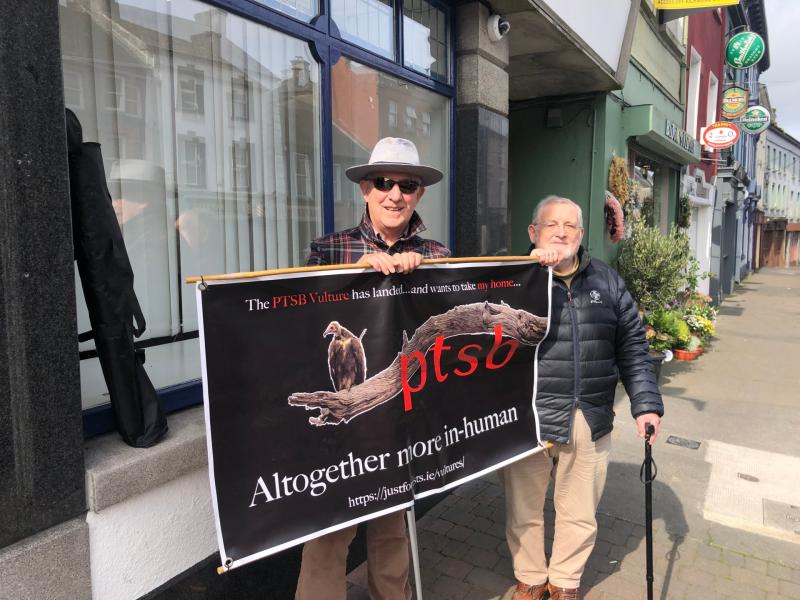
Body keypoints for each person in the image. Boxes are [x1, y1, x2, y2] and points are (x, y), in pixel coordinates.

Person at [296, 137, 450, 600]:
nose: (394, 194)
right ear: (365, 189)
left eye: (407, 185)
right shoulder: (329, 250)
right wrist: (351, 276)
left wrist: (426, 275)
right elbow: (295, 319)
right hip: (340, 430)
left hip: (399, 418)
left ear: (420, 193)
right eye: (383, 182)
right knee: (328, 533)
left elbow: (447, 331)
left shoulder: (438, 255)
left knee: (392, 530)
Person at [503, 195, 663, 600]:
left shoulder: (607, 281)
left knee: (579, 510)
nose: (561, 232)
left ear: (581, 233)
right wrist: (530, 274)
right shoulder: (514, 279)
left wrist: (645, 404)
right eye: (551, 224)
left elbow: (632, 347)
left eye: (570, 225)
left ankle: (565, 581)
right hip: (528, 415)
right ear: (533, 232)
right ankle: (530, 578)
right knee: (524, 508)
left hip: (587, 414)